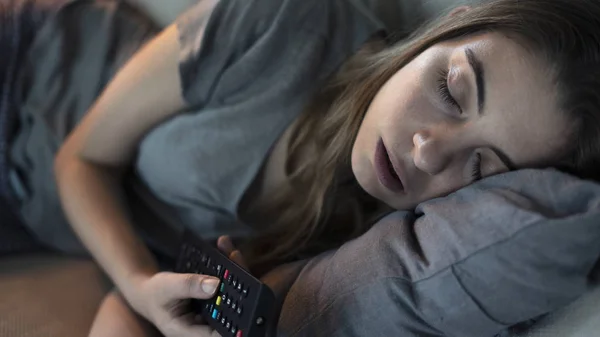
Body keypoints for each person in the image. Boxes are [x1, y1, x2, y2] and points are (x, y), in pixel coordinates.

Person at [2, 0, 600, 336]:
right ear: (446, 30)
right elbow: (78, 157)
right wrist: (136, 282)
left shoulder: (368, 241)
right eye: (450, 87)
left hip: (28, 211)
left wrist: (145, 295)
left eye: (480, 169)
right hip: (34, 76)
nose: (426, 151)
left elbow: (131, 311)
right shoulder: (289, 20)